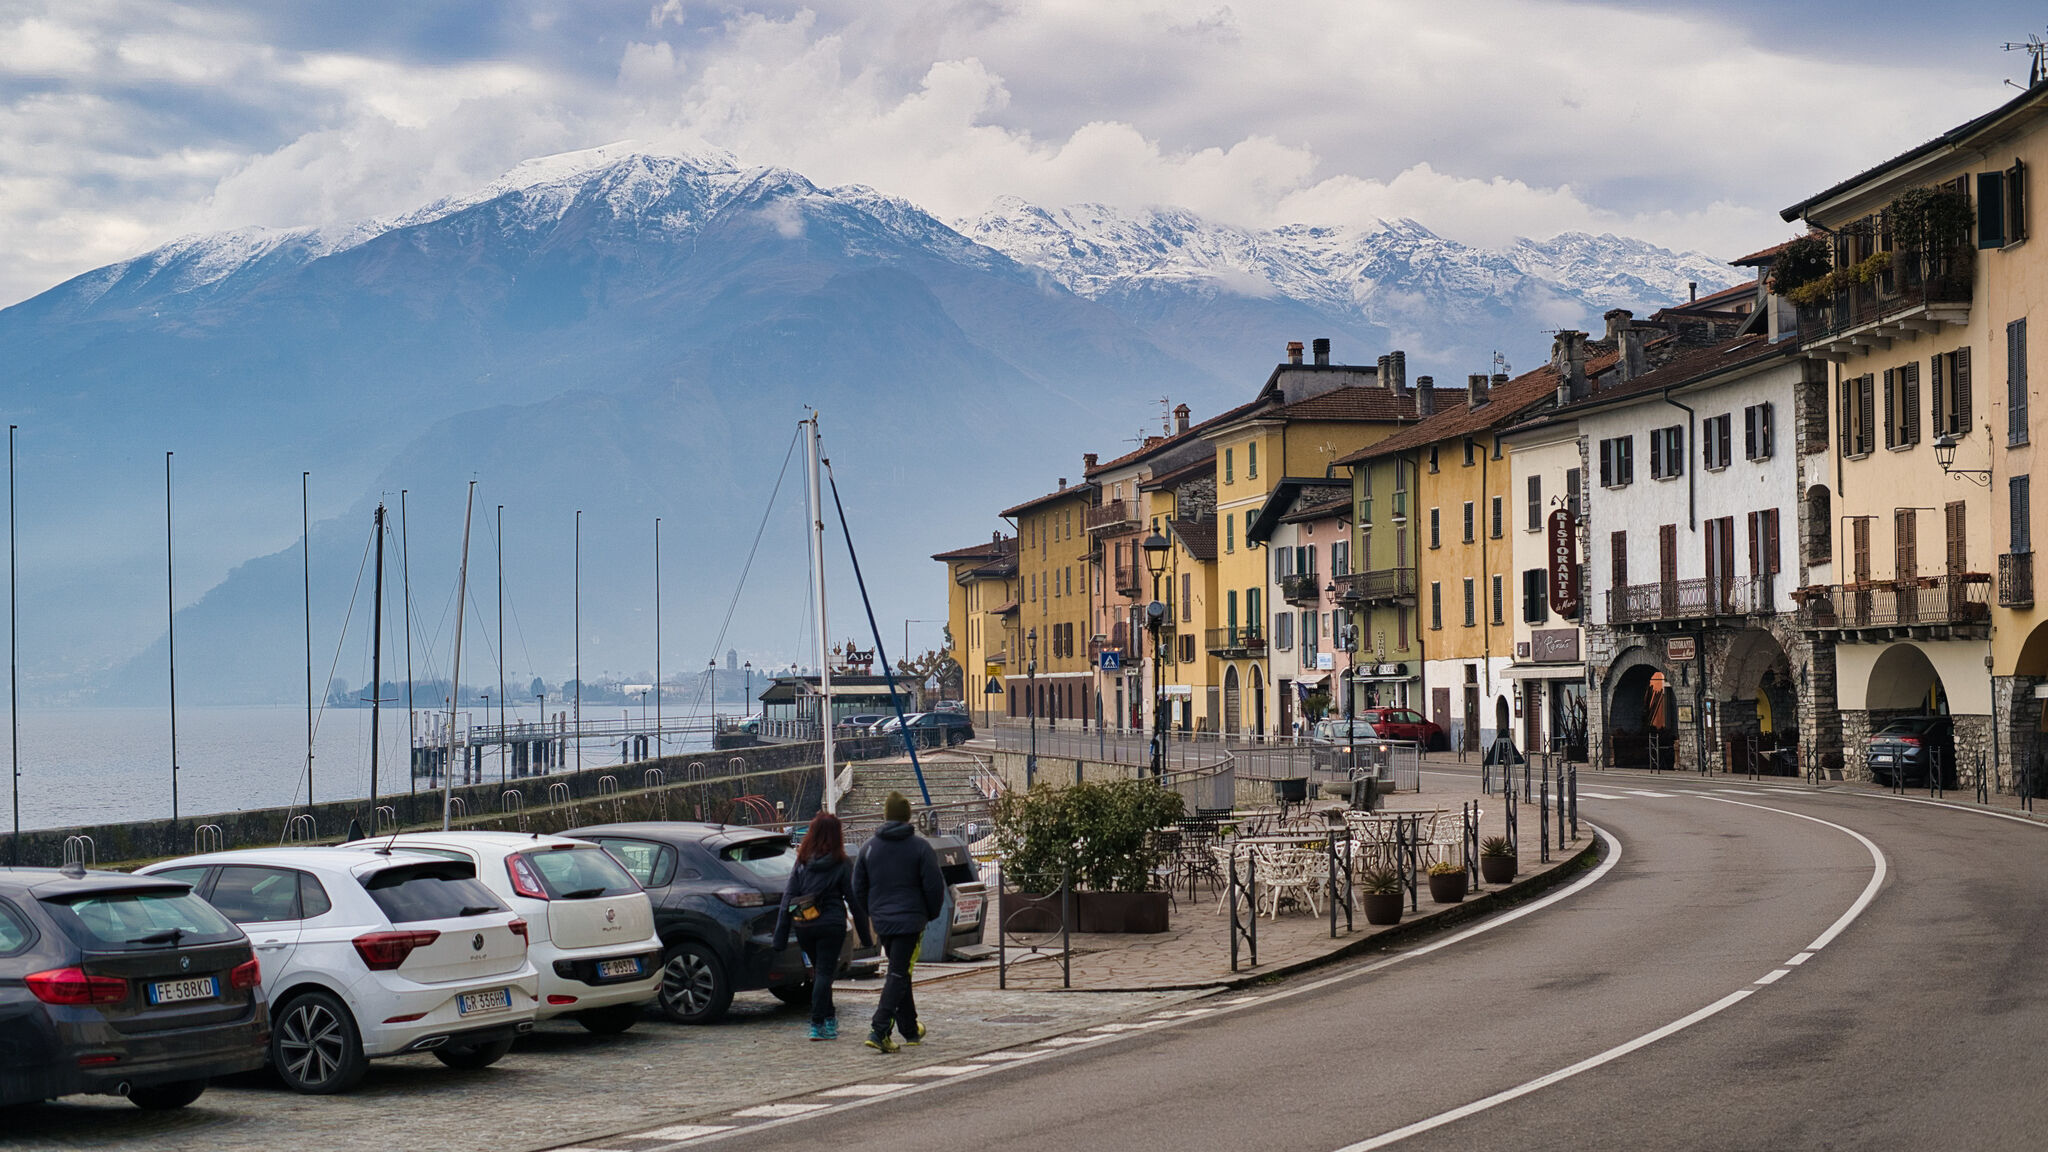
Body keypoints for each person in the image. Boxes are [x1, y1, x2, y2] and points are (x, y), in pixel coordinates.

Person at [851, 791, 944, 1053]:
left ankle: (910, 1029)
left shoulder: (869, 848)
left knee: (899, 970)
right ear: (907, 818)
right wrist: (928, 914)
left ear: (885, 816)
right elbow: (934, 887)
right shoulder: (920, 847)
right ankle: (879, 1029)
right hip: (911, 920)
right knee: (898, 973)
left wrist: (873, 911)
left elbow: (858, 886)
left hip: (883, 921)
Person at [772, 811, 871, 1041]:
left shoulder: (801, 862)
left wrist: (780, 935)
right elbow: (854, 900)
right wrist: (865, 937)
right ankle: (817, 1023)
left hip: (805, 925)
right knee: (825, 973)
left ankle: (829, 1018)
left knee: (820, 973)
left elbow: (788, 898)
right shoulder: (842, 863)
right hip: (831, 924)